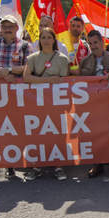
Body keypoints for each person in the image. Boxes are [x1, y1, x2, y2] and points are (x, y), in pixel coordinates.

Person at [0, 15, 29, 180]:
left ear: (16, 28)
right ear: (1, 29)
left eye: (10, 26)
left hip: (17, 96)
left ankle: (11, 164)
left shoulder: (24, 46)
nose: (7, 29)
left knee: (14, 129)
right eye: (4, 26)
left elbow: (28, 67)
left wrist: (8, 70)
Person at [23, 27, 70, 181]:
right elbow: (27, 77)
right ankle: (36, 165)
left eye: (49, 37)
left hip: (57, 102)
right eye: (43, 37)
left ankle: (58, 165)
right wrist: (48, 80)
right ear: (39, 40)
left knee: (57, 133)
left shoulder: (63, 58)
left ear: (54, 39)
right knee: (38, 133)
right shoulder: (33, 58)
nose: (46, 40)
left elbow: (64, 81)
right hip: (37, 102)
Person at [81, 30, 109, 181]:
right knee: (95, 133)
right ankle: (97, 164)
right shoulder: (85, 62)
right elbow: (80, 83)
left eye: (96, 42)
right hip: (93, 104)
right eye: (90, 43)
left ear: (102, 42)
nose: (93, 46)